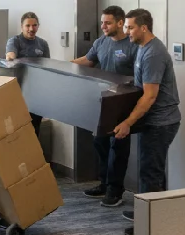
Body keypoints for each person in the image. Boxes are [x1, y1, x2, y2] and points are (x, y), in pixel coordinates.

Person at [113, 8, 181, 235]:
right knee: (152, 170)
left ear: (144, 28)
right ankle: (152, 213)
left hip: (161, 122)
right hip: (153, 121)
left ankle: (149, 226)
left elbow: (150, 95)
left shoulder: (154, 53)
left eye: (130, 27)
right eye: (126, 27)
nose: (126, 31)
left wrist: (128, 122)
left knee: (150, 172)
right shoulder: (142, 48)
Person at [72, 5, 138, 208]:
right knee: (100, 143)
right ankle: (104, 182)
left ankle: (115, 190)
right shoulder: (101, 42)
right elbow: (88, 61)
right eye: (102, 22)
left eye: (107, 23)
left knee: (118, 148)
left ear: (120, 23)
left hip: (123, 105)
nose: (103, 26)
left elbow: (141, 74)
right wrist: (62, 65)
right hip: (102, 102)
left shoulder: (132, 45)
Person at [6, 12, 50, 136]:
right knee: (19, 131)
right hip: (19, 93)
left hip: (37, 95)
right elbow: (10, 56)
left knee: (35, 129)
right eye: (28, 26)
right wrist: (12, 57)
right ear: (22, 27)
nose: (31, 29)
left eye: (34, 25)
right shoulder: (15, 41)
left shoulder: (43, 44)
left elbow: (47, 66)